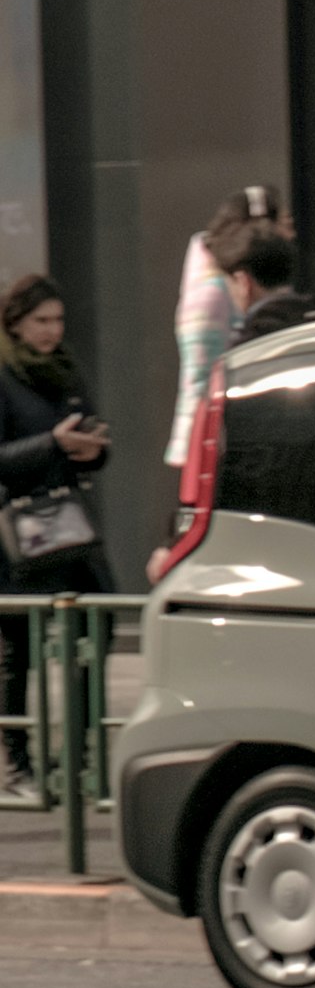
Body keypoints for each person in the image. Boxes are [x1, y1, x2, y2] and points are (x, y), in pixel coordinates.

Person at [1, 273, 114, 802]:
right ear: (16, 322)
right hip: (17, 531)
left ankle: (79, 757)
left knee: (96, 629)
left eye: (58, 320)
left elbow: (91, 429)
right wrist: (52, 443)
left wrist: (93, 447)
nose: (52, 331)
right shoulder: (4, 374)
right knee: (17, 651)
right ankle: (17, 765)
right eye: (41, 321)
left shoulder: (65, 369)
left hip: (68, 523)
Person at [164, 183, 287, 471]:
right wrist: (202, 456)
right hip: (216, 449)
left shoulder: (230, 284)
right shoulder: (211, 295)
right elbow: (201, 379)